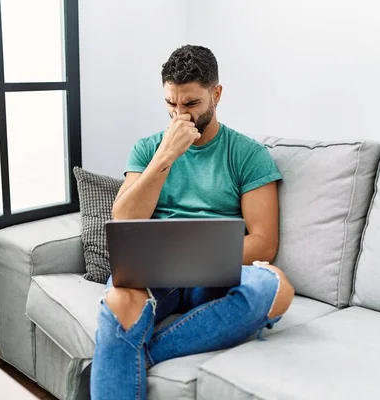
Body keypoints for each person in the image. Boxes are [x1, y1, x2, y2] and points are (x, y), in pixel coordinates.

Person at [90, 45, 295, 400]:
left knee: (274, 286)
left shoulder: (248, 155)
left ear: (216, 94)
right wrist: (167, 155)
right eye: (171, 103)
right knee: (119, 298)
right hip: (157, 274)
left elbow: (264, 243)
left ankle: (139, 351)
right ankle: (131, 348)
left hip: (213, 278)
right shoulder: (147, 148)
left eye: (191, 104)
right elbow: (123, 217)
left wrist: (197, 259)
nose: (179, 114)